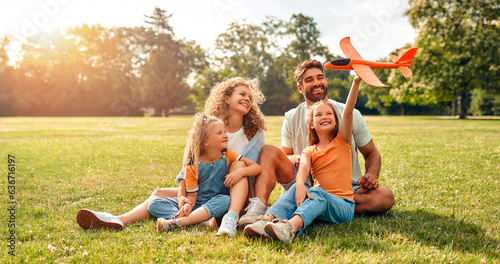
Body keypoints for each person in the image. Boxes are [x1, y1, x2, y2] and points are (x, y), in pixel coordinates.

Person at [76, 77, 268, 233]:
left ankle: (126, 219)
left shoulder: (253, 133)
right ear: (226, 98)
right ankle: (120, 220)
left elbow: (255, 167)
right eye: (242, 94)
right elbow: (190, 166)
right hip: (201, 189)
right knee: (158, 194)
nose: (247, 99)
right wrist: (183, 198)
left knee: (236, 167)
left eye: (250, 97)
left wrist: (240, 175)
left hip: (231, 192)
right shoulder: (209, 127)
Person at [239, 60, 394, 228]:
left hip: (346, 187)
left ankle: (316, 205)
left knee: (384, 197)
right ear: (300, 88)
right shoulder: (292, 117)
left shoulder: (348, 114)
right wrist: (299, 158)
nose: (317, 82)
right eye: (309, 79)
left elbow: (371, 152)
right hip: (302, 181)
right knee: (269, 150)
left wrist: (371, 175)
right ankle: (260, 210)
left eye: (320, 77)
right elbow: (284, 157)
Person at [243, 75, 363, 242]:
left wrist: (356, 82)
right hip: (319, 204)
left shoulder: (343, 142)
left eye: (329, 113)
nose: (325, 116)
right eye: (318, 115)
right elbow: (303, 169)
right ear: (312, 124)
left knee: (316, 192)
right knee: (299, 188)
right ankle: (265, 220)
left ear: (336, 121)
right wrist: (299, 185)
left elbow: (349, 112)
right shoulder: (309, 150)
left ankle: (289, 228)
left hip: (343, 207)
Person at [151, 114, 261, 236]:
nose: (225, 135)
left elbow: (257, 168)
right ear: (205, 141)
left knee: (226, 200)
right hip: (197, 204)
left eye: (224, 132)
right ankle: (196, 219)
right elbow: (192, 195)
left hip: (216, 202)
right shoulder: (193, 164)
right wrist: (188, 204)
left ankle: (180, 222)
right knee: (154, 204)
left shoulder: (228, 154)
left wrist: (240, 172)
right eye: (219, 133)